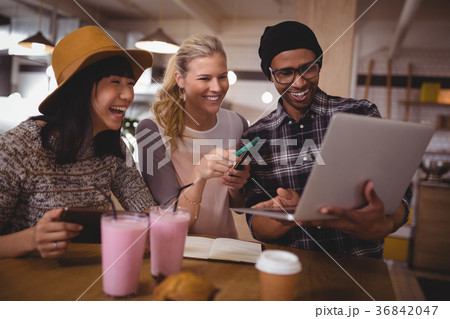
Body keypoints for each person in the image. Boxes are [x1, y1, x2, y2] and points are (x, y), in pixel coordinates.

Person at [243, 21, 412, 258]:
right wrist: (286, 215)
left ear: (319, 65)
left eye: (308, 68)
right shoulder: (256, 137)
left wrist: (387, 222)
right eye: (285, 73)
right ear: (271, 76)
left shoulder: (360, 114)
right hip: (291, 270)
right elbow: (256, 225)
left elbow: (400, 193)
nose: (299, 82)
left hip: (361, 269)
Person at [0, 26, 156, 259]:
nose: (128, 95)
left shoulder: (114, 147)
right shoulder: (17, 148)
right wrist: (32, 239)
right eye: (115, 82)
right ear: (79, 89)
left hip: (92, 280)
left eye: (130, 84)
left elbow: (147, 213)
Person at [137, 34, 250, 238]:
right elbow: (171, 217)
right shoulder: (152, 129)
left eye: (222, 77)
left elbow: (239, 206)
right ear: (180, 79)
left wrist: (236, 186)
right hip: (178, 248)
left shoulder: (237, 124)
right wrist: (199, 173)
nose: (217, 87)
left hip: (225, 247)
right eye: (205, 78)